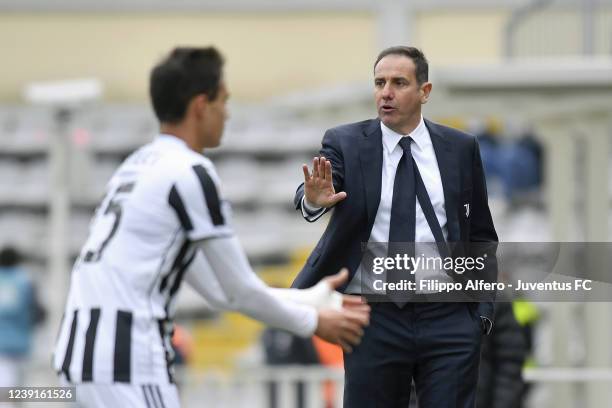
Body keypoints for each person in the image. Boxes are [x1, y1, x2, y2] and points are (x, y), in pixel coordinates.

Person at [52, 47, 370, 408]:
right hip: (127, 356)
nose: (227, 112)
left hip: (80, 350)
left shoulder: (135, 166)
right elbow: (240, 291)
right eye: (224, 100)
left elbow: (218, 291)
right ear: (202, 105)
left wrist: (306, 298)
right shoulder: (191, 173)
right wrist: (313, 320)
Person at [293, 46, 498, 407]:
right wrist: (314, 199)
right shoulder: (346, 142)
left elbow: (480, 233)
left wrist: (480, 313)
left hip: (448, 316)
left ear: (425, 91)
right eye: (379, 82)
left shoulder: (460, 147)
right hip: (375, 316)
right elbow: (318, 190)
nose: (386, 92)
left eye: (399, 82)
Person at [0, 246, 45, 389]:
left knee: (5, 390)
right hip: (22, 344)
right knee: (19, 389)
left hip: (2, 346)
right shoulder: (26, 281)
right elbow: (39, 312)